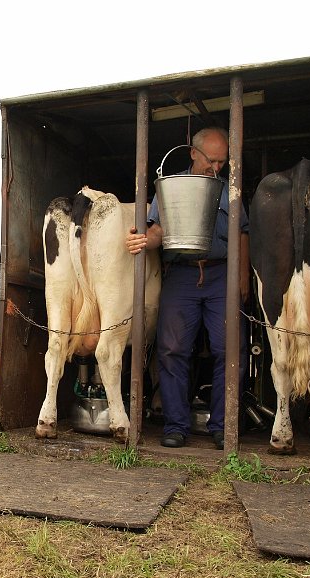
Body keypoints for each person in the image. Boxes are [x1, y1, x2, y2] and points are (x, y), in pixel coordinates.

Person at [126, 127, 249, 450]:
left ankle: (223, 427)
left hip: (221, 273)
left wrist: (243, 277)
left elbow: (243, 233)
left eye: (222, 162)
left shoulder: (229, 190)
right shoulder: (172, 187)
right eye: (212, 160)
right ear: (193, 153)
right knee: (171, 350)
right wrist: (143, 239)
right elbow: (157, 232)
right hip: (181, 275)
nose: (217, 168)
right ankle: (176, 425)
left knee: (231, 351)